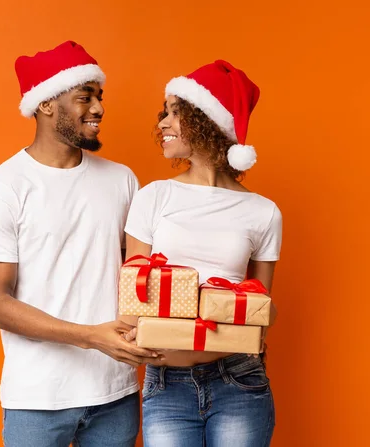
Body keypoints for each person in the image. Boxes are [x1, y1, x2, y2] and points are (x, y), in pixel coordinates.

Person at [0, 40, 158, 447]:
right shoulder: (1, 188)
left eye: (99, 97)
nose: (99, 109)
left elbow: (141, 278)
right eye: (84, 97)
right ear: (46, 105)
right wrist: (91, 336)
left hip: (116, 394)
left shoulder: (122, 180)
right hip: (37, 398)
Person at [124, 60, 282, 446]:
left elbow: (260, 313)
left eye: (175, 112)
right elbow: (131, 303)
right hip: (167, 384)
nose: (162, 122)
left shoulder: (264, 211)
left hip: (239, 380)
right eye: (165, 112)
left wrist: (254, 314)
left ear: (207, 121)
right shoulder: (153, 197)